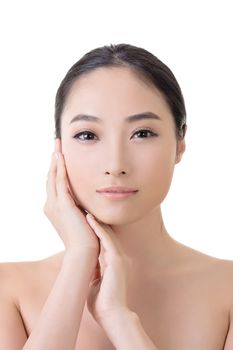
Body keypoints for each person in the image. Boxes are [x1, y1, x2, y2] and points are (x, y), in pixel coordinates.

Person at [0, 43, 233, 350]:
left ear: (180, 143)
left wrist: (119, 319)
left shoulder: (226, 290)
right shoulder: (9, 288)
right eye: (87, 135)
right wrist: (79, 257)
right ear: (59, 149)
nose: (115, 165)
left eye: (143, 133)